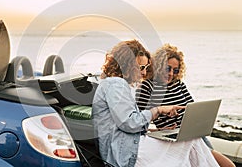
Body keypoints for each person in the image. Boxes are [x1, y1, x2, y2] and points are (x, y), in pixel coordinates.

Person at [92, 39, 219, 167]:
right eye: (141, 67)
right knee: (191, 141)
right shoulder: (116, 84)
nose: (144, 73)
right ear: (127, 64)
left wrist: (155, 131)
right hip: (125, 154)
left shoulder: (116, 85)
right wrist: (158, 110)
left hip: (128, 148)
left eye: (146, 68)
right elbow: (129, 123)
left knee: (191, 143)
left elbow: (126, 126)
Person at [136, 43, 235, 167]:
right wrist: (158, 130)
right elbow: (138, 121)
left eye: (175, 70)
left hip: (191, 134)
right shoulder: (147, 87)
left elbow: (193, 109)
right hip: (172, 139)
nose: (171, 73)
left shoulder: (179, 84)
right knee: (227, 165)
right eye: (168, 68)